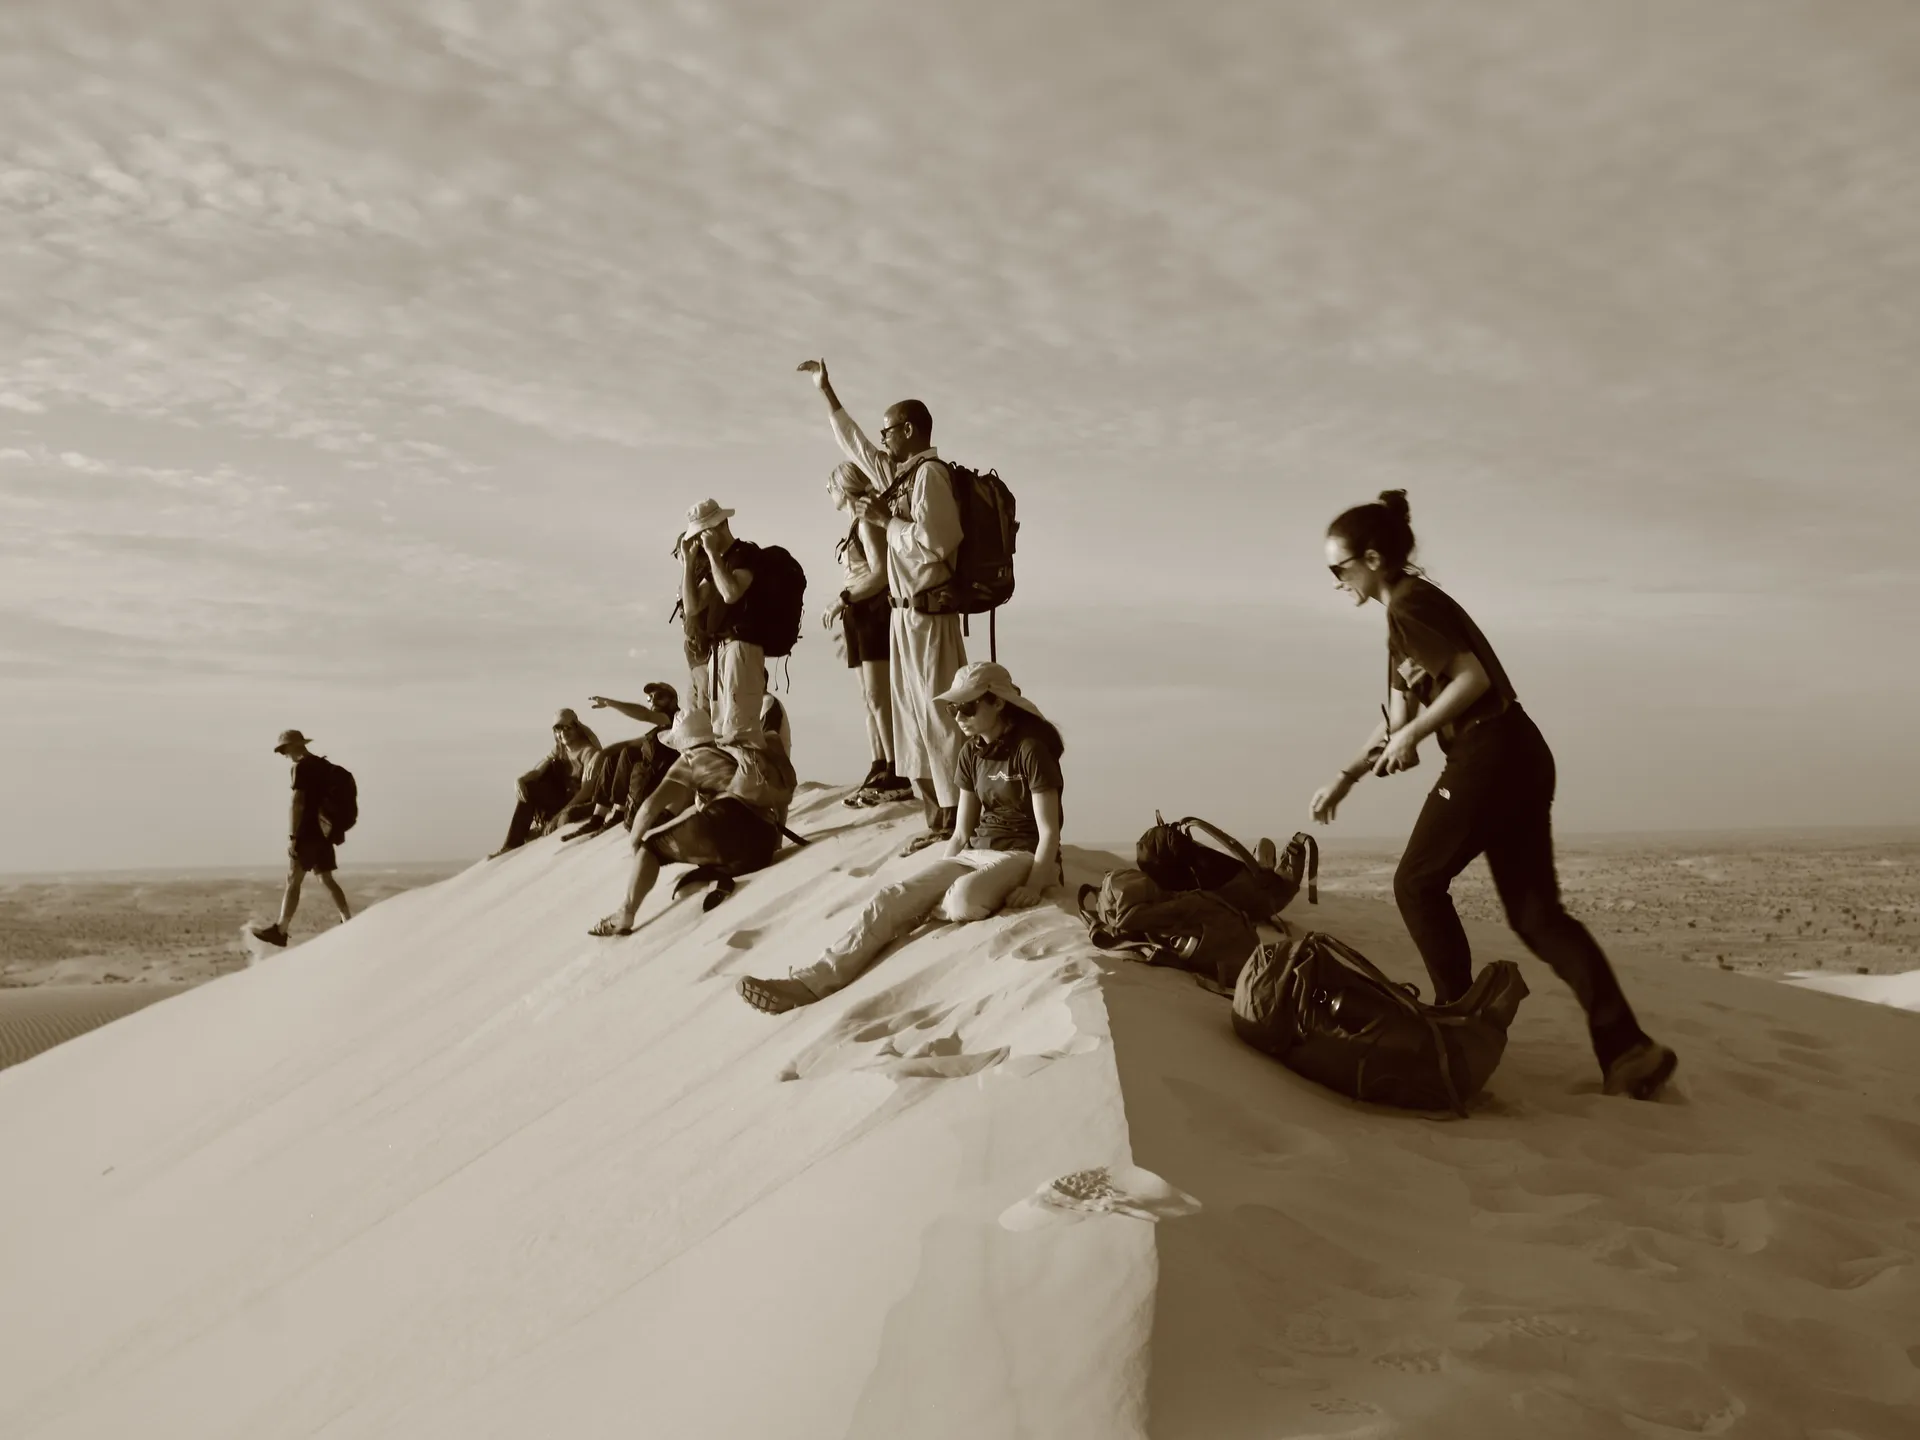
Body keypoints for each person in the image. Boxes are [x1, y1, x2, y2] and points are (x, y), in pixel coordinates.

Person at [1309, 489, 1678, 1100]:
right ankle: (1628, 1050)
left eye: (1337, 568)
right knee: (1538, 917)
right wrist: (1347, 775)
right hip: (1520, 753)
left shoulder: (1411, 604)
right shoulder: (1404, 618)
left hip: (1492, 750)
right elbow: (1398, 717)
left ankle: (1456, 1026)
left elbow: (1470, 679)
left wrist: (1418, 736)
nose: (1333, 582)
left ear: (1371, 558)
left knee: (1415, 883)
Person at [738, 660, 1062, 1014]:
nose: (958, 717)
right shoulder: (972, 753)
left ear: (998, 702)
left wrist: (1034, 884)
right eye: (953, 708)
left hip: (1019, 855)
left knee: (964, 900)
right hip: (974, 854)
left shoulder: (1030, 750)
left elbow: (1049, 831)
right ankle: (808, 983)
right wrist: (936, 876)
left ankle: (933, 906)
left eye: (968, 707)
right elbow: (961, 832)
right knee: (890, 899)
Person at [799, 359, 967, 855]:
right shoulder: (901, 476)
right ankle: (935, 815)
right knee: (912, 715)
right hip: (903, 615)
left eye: (889, 431)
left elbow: (938, 543)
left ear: (910, 430)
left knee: (938, 715)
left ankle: (956, 816)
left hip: (929, 616)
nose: (883, 440)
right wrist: (826, 392)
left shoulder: (930, 475)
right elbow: (854, 445)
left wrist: (884, 522)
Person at [589, 706, 799, 935]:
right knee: (701, 863)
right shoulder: (734, 751)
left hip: (727, 819)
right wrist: (776, 841)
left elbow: (650, 806)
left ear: (680, 741)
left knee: (651, 849)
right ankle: (717, 880)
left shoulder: (690, 759)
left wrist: (635, 843)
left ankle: (625, 913)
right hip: (763, 844)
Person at [823, 460, 911, 806]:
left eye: (830, 487)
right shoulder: (854, 526)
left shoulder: (866, 525)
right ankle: (879, 762)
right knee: (867, 697)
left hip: (873, 611)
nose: (828, 493)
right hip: (858, 613)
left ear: (843, 488)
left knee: (878, 695)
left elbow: (882, 574)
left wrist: (842, 599)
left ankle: (895, 768)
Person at [250, 729, 352, 947]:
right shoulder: (324, 766)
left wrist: (293, 837)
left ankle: (281, 929)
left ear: (294, 746)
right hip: (325, 832)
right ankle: (347, 920)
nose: (283, 754)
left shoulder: (301, 767)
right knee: (326, 878)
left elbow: (297, 803)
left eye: (284, 749)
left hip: (307, 833)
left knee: (293, 879)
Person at [682, 498, 765, 742]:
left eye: (702, 533)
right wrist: (688, 564)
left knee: (740, 728)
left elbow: (731, 593)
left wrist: (711, 553)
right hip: (717, 652)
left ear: (720, 525)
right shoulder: (717, 563)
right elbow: (692, 606)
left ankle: (756, 777)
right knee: (718, 729)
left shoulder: (744, 554)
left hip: (741, 645)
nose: (698, 540)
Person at [559, 682, 681, 840]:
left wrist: (609, 703)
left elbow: (645, 715)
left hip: (661, 781)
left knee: (628, 754)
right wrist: (602, 754)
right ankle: (598, 817)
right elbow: (630, 743)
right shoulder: (660, 728)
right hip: (647, 780)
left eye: (660, 697)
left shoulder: (675, 719)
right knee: (613, 757)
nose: (654, 701)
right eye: (650, 698)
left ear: (673, 701)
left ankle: (619, 812)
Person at [489, 709, 601, 858]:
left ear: (576, 727)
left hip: (583, 803)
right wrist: (520, 780)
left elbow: (586, 790)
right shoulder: (560, 749)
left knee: (566, 819)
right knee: (530, 787)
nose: (563, 732)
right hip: (564, 799)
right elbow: (538, 772)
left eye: (567, 727)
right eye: (558, 728)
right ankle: (512, 844)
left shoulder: (588, 752)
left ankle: (544, 830)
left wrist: (559, 816)